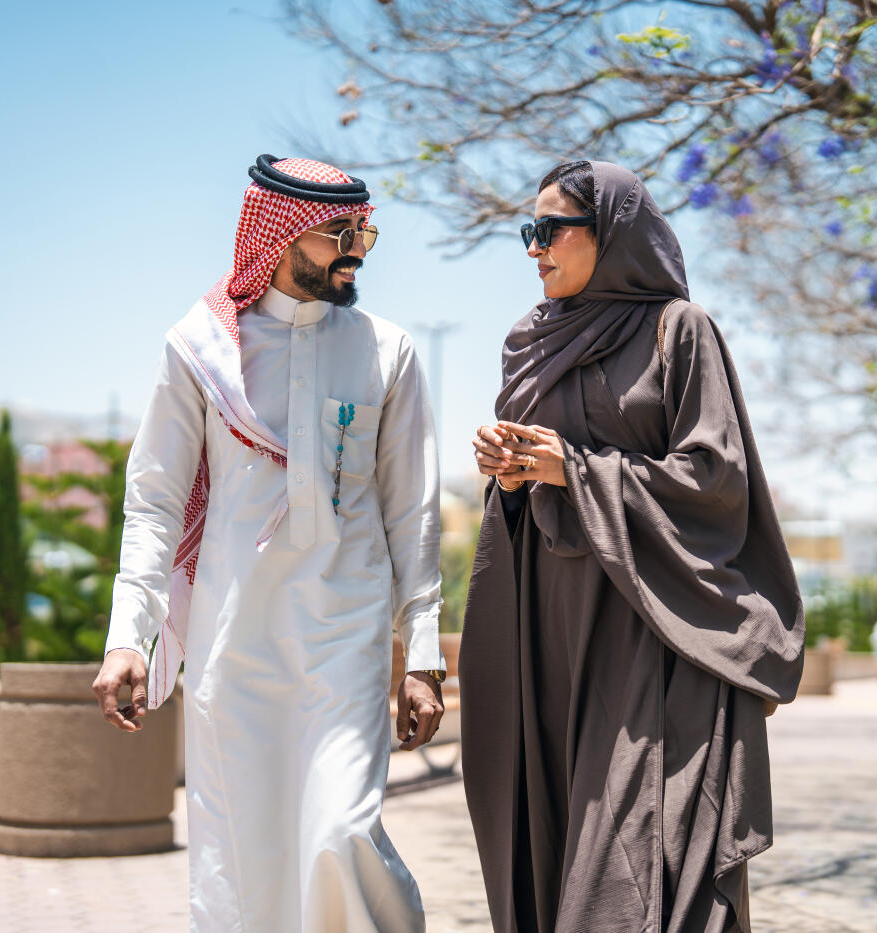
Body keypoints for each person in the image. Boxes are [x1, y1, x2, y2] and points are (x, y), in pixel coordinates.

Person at [91, 155, 445, 932]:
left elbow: (413, 511)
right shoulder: (200, 349)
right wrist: (129, 637)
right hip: (235, 644)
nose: (357, 250)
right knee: (245, 863)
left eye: (365, 233)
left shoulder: (388, 351)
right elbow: (153, 502)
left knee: (341, 835)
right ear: (278, 236)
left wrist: (421, 654)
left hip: (344, 641)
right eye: (339, 235)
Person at [461, 160, 805, 933]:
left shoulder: (678, 329)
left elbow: (716, 477)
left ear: (609, 232)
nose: (534, 248)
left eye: (551, 230)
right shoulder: (530, 340)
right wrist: (509, 472)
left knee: (633, 859)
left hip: (654, 630)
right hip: (549, 639)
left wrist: (573, 469)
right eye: (529, 231)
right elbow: (533, 489)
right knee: (554, 840)